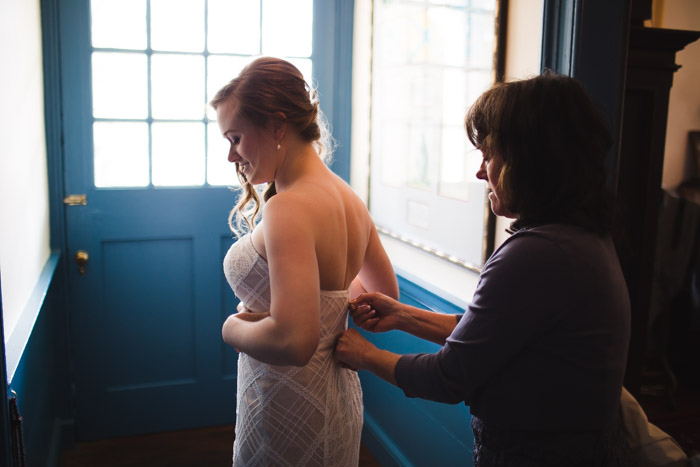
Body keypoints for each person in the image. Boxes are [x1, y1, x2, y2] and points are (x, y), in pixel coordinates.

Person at [335, 72, 632, 466]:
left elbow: (447, 376)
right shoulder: (579, 238)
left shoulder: (537, 254)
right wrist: (403, 316)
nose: (480, 172)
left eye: (488, 155)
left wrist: (365, 354)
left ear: (527, 160)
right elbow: (494, 334)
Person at [211, 57, 398, 467]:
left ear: (277, 126)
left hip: (288, 404)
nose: (231, 156)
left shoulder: (288, 209)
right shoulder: (348, 197)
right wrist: (329, 301)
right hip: (337, 396)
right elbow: (384, 296)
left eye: (236, 138)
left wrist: (230, 328)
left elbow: (294, 343)